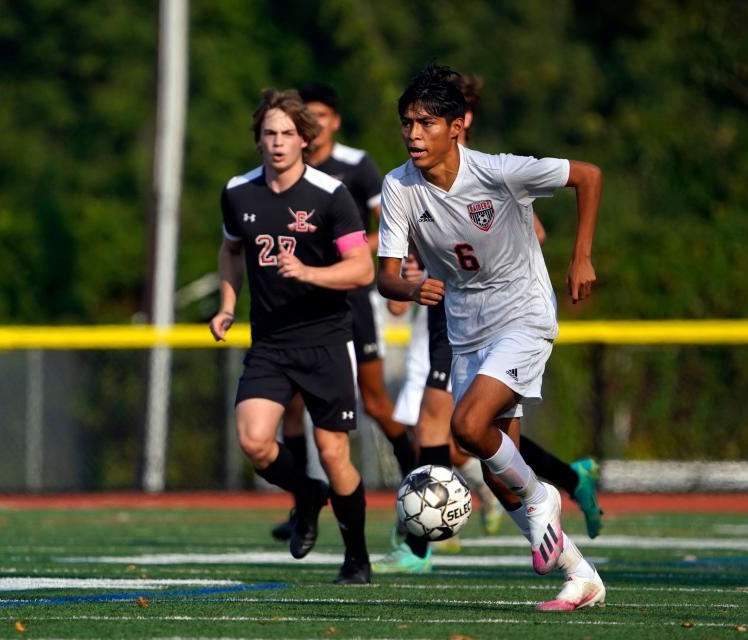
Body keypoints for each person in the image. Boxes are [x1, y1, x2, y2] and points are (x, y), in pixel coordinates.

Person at [376, 63, 606, 610]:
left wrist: (581, 256)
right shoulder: (399, 187)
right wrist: (411, 288)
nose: (413, 134)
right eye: (407, 123)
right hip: (464, 325)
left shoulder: (500, 172)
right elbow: (386, 273)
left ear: (457, 127)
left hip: (523, 312)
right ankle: (581, 575)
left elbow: (588, 175)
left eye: (426, 123)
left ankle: (545, 494)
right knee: (496, 472)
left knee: (467, 426)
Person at [209, 87, 373, 585]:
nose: (278, 142)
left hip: (325, 339)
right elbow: (231, 251)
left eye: (287, 134)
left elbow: (361, 269)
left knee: (333, 453)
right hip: (271, 342)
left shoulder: (330, 195)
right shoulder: (239, 192)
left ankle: (357, 557)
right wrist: (228, 305)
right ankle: (306, 494)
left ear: (306, 139)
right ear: (257, 140)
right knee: (254, 441)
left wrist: (309, 274)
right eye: (269, 134)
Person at [269, 82, 417, 543]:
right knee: (290, 409)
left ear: (333, 120)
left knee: (374, 401)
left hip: (349, 299)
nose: (312, 127)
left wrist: (351, 257)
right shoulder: (288, 167)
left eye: (320, 117)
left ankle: (422, 490)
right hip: (297, 306)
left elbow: (389, 227)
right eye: (304, 119)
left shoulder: (356, 166)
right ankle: (303, 507)